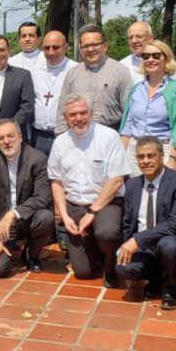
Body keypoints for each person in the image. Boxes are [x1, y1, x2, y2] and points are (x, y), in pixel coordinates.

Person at [48, 93, 132, 287]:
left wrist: (92, 212)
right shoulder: (60, 143)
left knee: (108, 233)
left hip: (106, 203)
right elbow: (57, 182)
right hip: (75, 205)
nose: (79, 118)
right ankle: (95, 251)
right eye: (73, 115)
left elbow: (117, 179)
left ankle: (111, 266)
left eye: (83, 113)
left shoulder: (109, 137)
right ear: (65, 118)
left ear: (91, 113)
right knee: (83, 272)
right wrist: (64, 215)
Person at [115, 137, 176, 309]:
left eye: (151, 156)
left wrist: (137, 239)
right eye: (141, 157)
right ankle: (156, 278)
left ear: (161, 156)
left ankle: (172, 289)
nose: (146, 161)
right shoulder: (133, 184)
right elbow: (128, 222)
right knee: (123, 268)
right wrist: (126, 244)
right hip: (144, 246)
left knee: (168, 246)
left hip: (170, 240)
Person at [0, 119, 54, 277]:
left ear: (20, 137)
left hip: (25, 219)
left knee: (46, 217)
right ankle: (6, 249)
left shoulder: (37, 159)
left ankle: (31, 255)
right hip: (1, 226)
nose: (6, 141)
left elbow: (42, 196)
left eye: (10, 136)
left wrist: (13, 213)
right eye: (1, 138)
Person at [119, 40, 176, 175]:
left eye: (156, 56)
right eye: (145, 56)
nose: (150, 59)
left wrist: (172, 158)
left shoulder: (175, 91)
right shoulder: (136, 90)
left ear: (165, 58)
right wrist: (119, 155)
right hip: (135, 151)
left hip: (162, 150)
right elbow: (128, 127)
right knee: (137, 193)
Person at [56, 24, 132, 134]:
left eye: (94, 44)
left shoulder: (120, 72)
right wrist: (61, 136)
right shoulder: (72, 74)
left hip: (111, 133)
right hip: (78, 134)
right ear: (80, 49)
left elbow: (129, 111)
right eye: (85, 46)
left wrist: (125, 138)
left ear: (105, 46)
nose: (90, 49)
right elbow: (62, 110)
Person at [29, 30, 77, 154]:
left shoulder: (75, 69)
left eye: (56, 47)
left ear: (66, 48)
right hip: (38, 135)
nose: (51, 52)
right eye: (46, 48)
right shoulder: (35, 69)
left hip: (66, 134)